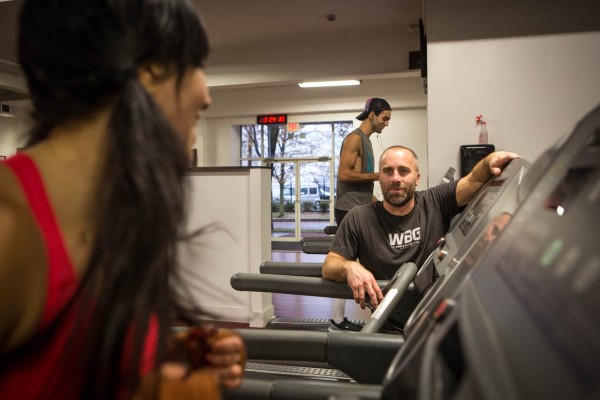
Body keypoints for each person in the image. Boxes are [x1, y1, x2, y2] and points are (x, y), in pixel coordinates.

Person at [0, 1, 244, 399]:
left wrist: (175, 356)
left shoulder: (114, 220)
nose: (206, 95)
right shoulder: (8, 228)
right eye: (193, 62)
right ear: (148, 73)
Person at [323, 145, 519, 310]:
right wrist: (350, 266)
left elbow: (475, 179)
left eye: (404, 171)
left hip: (435, 312)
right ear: (379, 178)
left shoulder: (435, 201)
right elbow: (330, 265)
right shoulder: (359, 217)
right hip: (387, 320)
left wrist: (488, 161)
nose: (396, 178)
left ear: (417, 178)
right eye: (388, 171)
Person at [330, 97, 391, 331]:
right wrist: (379, 175)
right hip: (347, 208)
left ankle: (343, 316)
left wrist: (379, 203)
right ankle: (336, 319)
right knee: (348, 263)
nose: (386, 123)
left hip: (358, 205)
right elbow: (344, 175)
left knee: (358, 260)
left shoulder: (366, 141)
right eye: (384, 118)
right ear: (372, 115)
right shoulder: (355, 138)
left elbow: (362, 187)